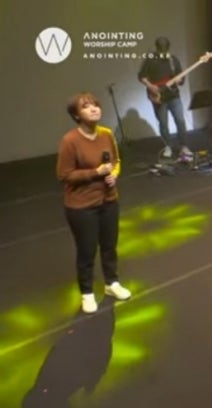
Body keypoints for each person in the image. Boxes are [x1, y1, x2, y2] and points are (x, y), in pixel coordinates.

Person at [56, 92, 132, 314]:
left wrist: (113, 175)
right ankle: (87, 293)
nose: (93, 109)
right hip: (82, 206)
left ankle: (112, 283)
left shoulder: (107, 133)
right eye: (86, 107)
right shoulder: (70, 140)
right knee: (87, 250)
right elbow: (64, 175)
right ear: (76, 115)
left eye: (95, 105)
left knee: (109, 246)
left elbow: (116, 161)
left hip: (109, 200)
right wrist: (94, 173)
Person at [137, 36, 193, 159]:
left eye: (165, 50)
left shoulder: (173, 60)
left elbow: (181, 77)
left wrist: (179, 80)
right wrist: (150, 86)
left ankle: (183, 146)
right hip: (158, 95)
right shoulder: (150, 60)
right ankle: (168, 146)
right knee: (163, 123)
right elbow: (141, 76)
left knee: (180, 120)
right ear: (157, 48)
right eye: (160, 50)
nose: (163, 52)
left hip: (173, 95)